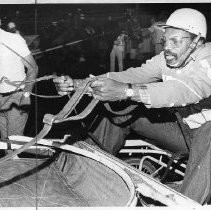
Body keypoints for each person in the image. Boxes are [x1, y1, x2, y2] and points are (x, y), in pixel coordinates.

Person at [53, 8, 211, 204]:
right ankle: (84, 168)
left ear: (197, 42)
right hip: (182, 132)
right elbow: (130, 76)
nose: (167, 48)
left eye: (175, 41)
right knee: (122, 111)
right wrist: (79, 84)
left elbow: (185, 90)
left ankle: (187, 202)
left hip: (206, 137)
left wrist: (127, 91)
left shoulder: (208, 59)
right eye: (165, 41)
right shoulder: (165, 59)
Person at [0, 27, 38, 142]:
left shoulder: (14, 39)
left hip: (16, 98)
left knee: (14, 142)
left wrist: (26, 96)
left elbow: (33, 68)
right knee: (5, 142)